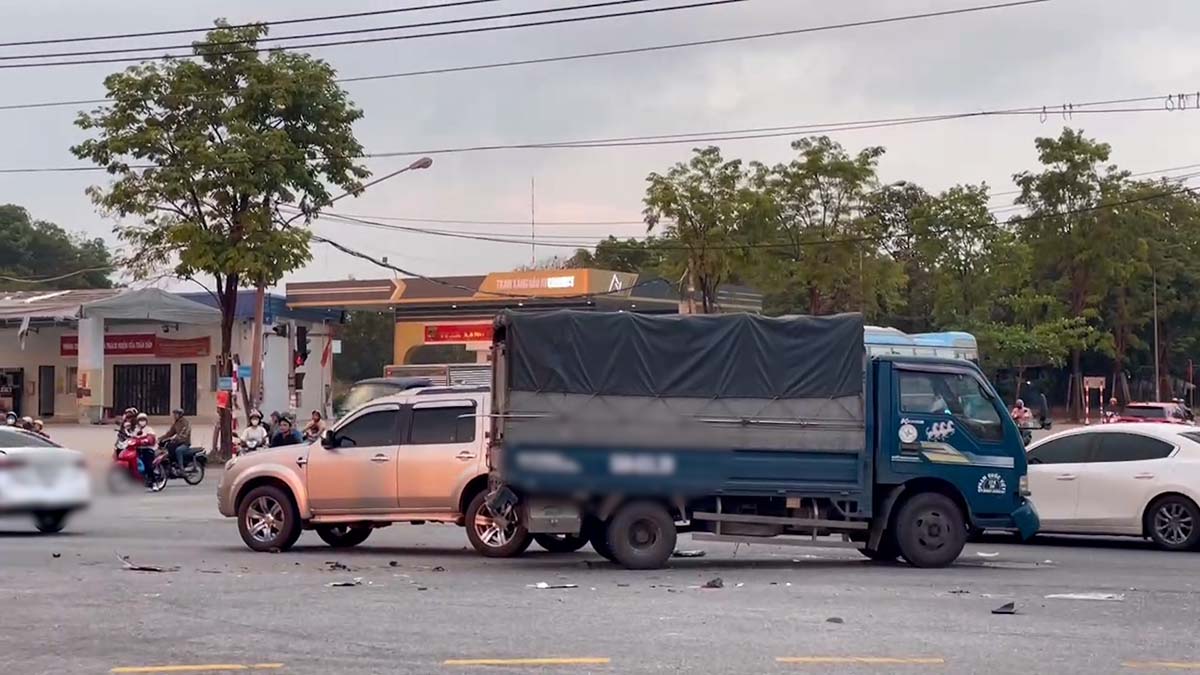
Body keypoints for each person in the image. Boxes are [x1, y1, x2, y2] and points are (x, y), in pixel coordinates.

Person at [131, 413, 158, 490]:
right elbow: (131, 437)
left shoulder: (149, 429)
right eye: (140, 420)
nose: (142, 422)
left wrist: (146, 440)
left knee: (148, 465)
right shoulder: (136, 430)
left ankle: (153, 483)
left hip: (148, 449)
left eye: (143, 420)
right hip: (138, 449)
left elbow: (151, 439)